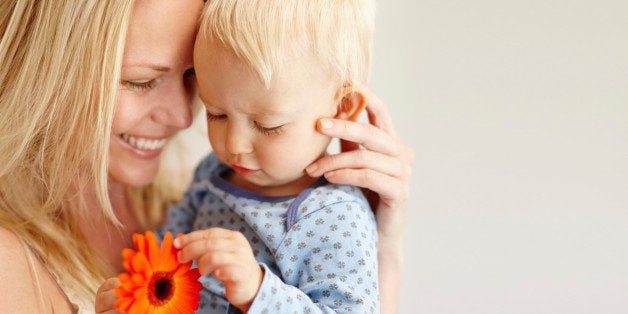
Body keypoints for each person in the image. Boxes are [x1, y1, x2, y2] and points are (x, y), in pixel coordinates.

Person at [0, 0, 412, 313]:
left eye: (190, 76)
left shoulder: (182, 194)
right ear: (50, 69)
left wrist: (385, 250)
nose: (183, 117)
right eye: (140, 81)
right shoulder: (207, 188)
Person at [153, 0, 382, 312]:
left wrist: (256, 292)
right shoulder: (213, 170)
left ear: (341, 108)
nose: (234, 144)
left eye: (266, 125)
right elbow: (166, 249)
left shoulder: (335, 215)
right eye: (217, 114)